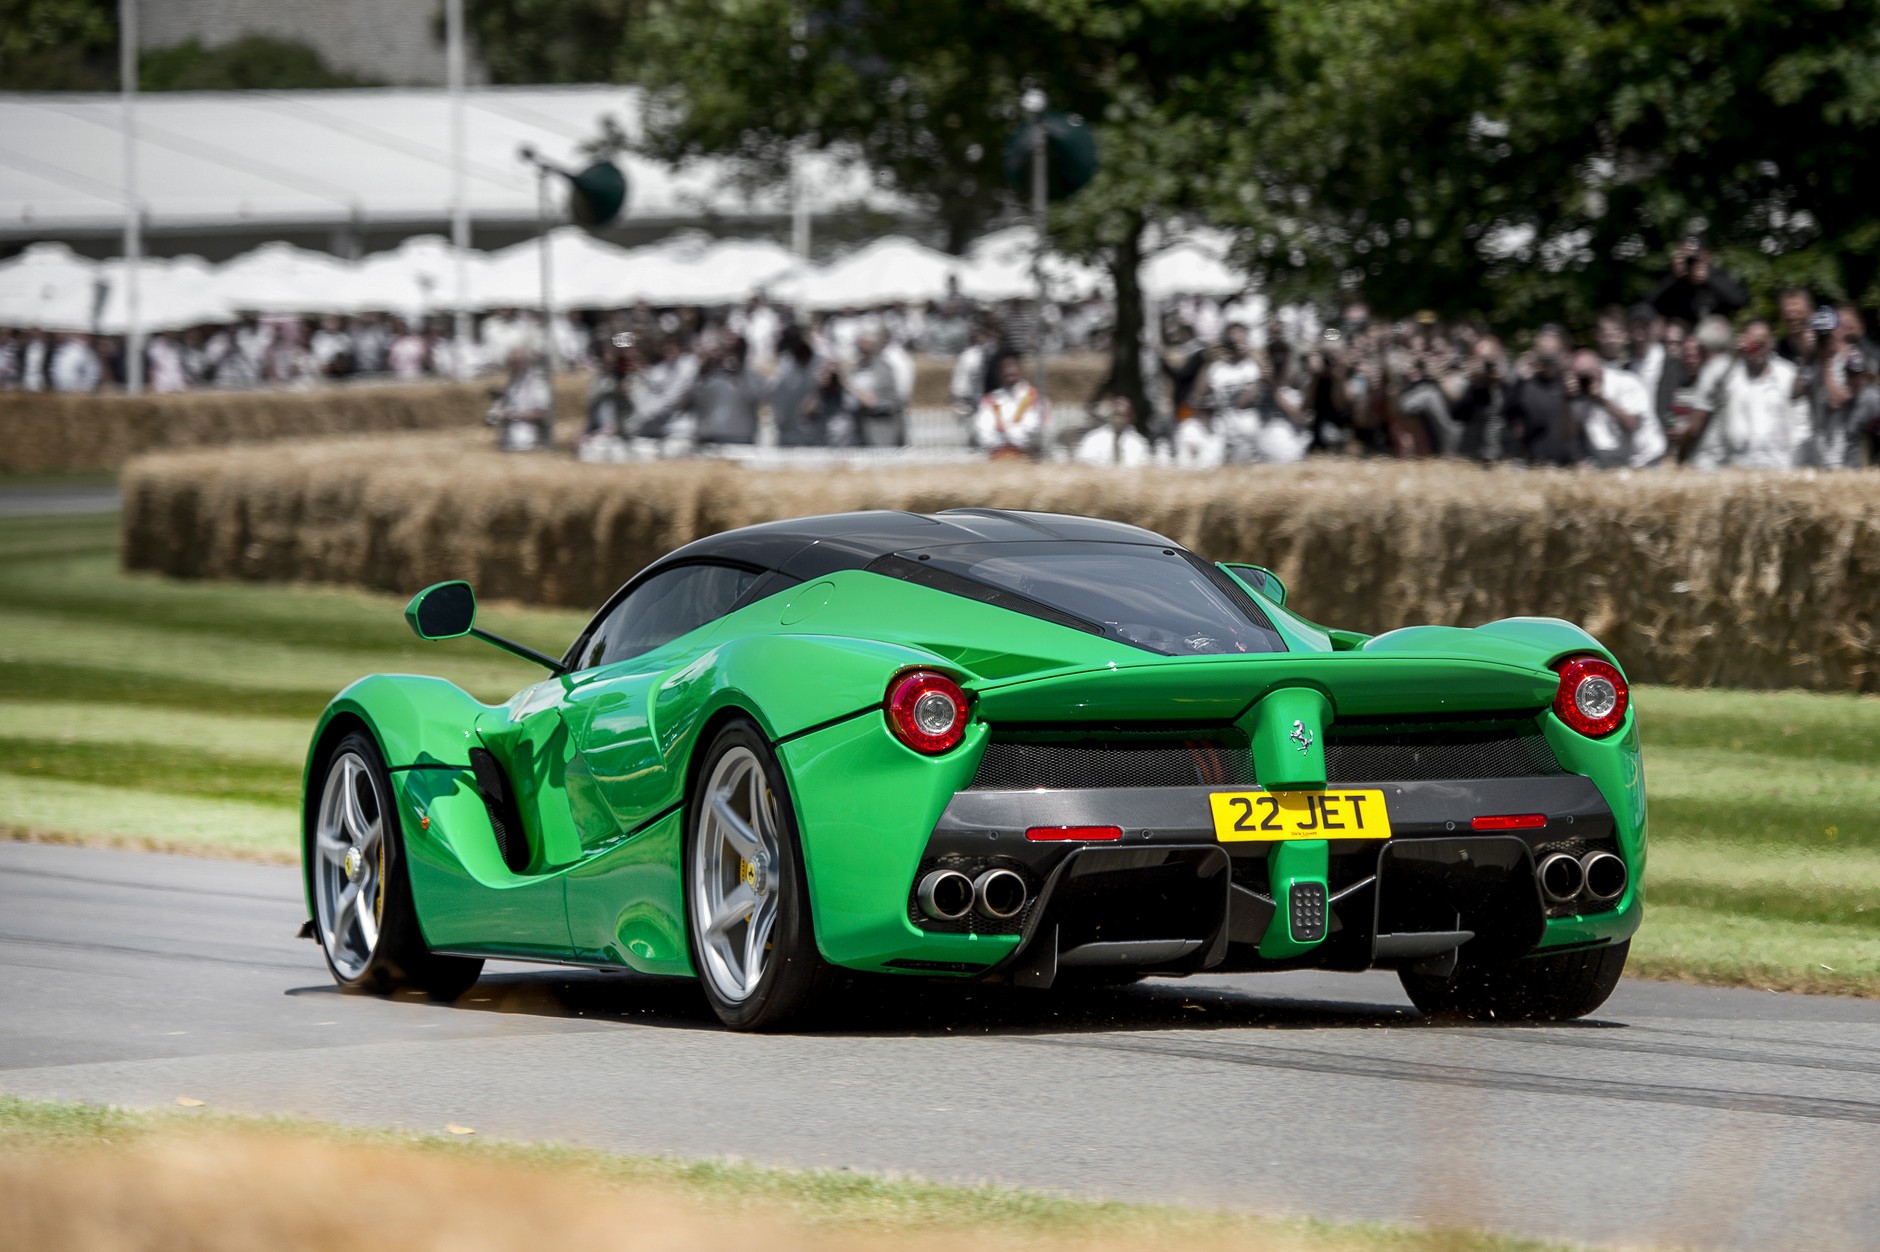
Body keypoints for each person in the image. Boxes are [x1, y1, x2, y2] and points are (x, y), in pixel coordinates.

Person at [1704, 320, 1807, 469]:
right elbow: (1712, 396)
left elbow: (1801, 422)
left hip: (1780, 466)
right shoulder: (1732, 375)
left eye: (1762, 342)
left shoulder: (1788, 374)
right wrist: (1734, 355)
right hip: (1741, 466)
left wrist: (1796, 461)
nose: (1758, 347)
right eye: (1754, 342)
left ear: (1771, 342)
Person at [1570, 348, 1663, 468]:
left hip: (1645, 460)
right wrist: (1567, 400)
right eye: (1579, 377)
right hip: (1612, 465)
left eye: (1586, 375)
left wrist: (1602, 400)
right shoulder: (1579, 397)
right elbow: (1568, 434)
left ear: (1599, 369)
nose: (1584, 381)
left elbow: (1631, 424)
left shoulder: (1626, 383)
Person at [1505, 327, 1583, 466]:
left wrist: (1572, 397)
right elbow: (1508, 418)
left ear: (1563, 354)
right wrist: (1518, 380)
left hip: (1568, 467)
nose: (1547, 360)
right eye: (1542, 352)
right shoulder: (1525, 384)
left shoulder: (1571, 383)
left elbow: (1580, 428)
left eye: (1551, 354)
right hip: (1535, 466)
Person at [1649, 234, 1747, 325]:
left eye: (1695, 256)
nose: (1691, 262)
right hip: (1681, 332)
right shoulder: (1675, 278)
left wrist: (1708, 279)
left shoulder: (1717, 275)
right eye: (1686, 256)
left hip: (1711, 332)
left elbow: (1740, 301)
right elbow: (1652, 304)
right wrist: (1675, 278)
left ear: (1707, 256)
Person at [691, 335, 766, 446]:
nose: (731, 355)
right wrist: (704, 370)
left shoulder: (754, 378)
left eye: (736, 350)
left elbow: (759, 398)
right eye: (727, 350)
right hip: (709, 437)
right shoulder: (709, 377)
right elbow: (694, 398)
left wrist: (739, 374)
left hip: (740, 438)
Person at [972, 351, 1048, 458]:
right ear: (998, 372)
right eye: (1004, 367)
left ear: (1021, 368)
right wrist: (1002, 440)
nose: (1009, 371)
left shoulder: (1033, 396)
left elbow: (1033, 427)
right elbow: (984, 429)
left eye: (1012, 366)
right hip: (997, 457)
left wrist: (1006, 432)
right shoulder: (991, 399)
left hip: (1027, 457)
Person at [768, 327, 826, 447]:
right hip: (788, 434)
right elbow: (776, 395)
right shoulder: (784, 364)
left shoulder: (821, 363)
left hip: (815, 434)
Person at [845, 331, 905, 447]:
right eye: (860, 345)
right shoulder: (856, 370)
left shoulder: (884, 368)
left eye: (866, 344)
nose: (862, 348)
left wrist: (869, 400)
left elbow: (892, 401)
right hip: (860, 427)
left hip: (882, 428)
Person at [486, 348, 553, 451]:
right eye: (511, 363)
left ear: (525, 363)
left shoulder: (537, 382)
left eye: (515, 363)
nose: (511, 367)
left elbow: (541, 413)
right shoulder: (514, 381)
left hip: (526, 437)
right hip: (508, 438)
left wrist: (513, 415)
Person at [1073, 395, 1154, 467]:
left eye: (1123, 416)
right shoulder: (1094, 438)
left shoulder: (1138, 443)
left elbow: (1144, 466)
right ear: (1111, 416)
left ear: (1129, 418)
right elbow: (1082, 462)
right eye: (1117, 415)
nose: (1119, 420)